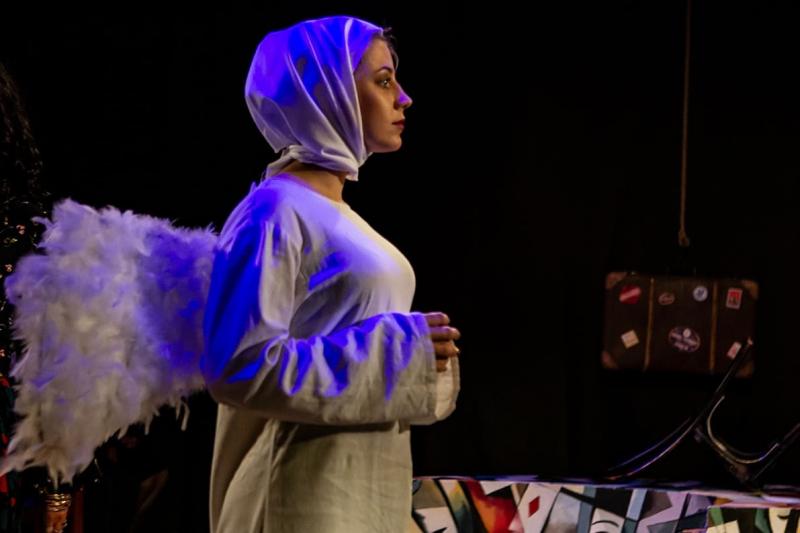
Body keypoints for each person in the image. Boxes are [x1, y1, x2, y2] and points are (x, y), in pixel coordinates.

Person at [201, 15, 461, 533]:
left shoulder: (340, 218)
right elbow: (237, 365)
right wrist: (397, 352)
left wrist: (421, 359)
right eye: (383, 81)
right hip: (297, 497)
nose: (403, 98)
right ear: (329, 93)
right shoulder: (274, 211)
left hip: (360, 488)